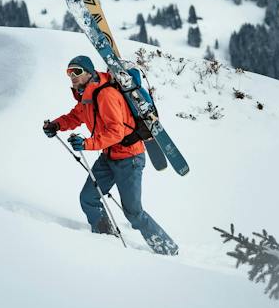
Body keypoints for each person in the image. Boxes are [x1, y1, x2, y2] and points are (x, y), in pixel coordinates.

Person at [42, 55, 178, 255]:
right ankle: (106, 240)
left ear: (89, 72)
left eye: (77, 72)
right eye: (69, 72)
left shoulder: (106, 95)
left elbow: (116, 133)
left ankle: (167, 249)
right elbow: (74, 116)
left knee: (133, 213)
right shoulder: (87, 96)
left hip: (129, 159)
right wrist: (56, 125)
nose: (72, 76)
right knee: (88, 198)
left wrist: (87, 144)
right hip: (108, 157)